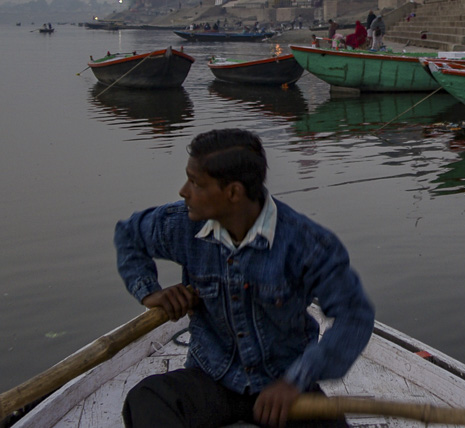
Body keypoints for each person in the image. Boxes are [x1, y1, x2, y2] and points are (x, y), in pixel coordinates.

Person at [116, 129, 374, 428]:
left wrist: (296, 380)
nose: (184, 191)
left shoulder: (307, 244)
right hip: (213, 378)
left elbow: (355, 315)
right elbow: (129, 235)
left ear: (234, 193)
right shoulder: (182, 224)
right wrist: (149, 292)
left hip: (283, 391)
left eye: (196, 183)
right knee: (147, 398)